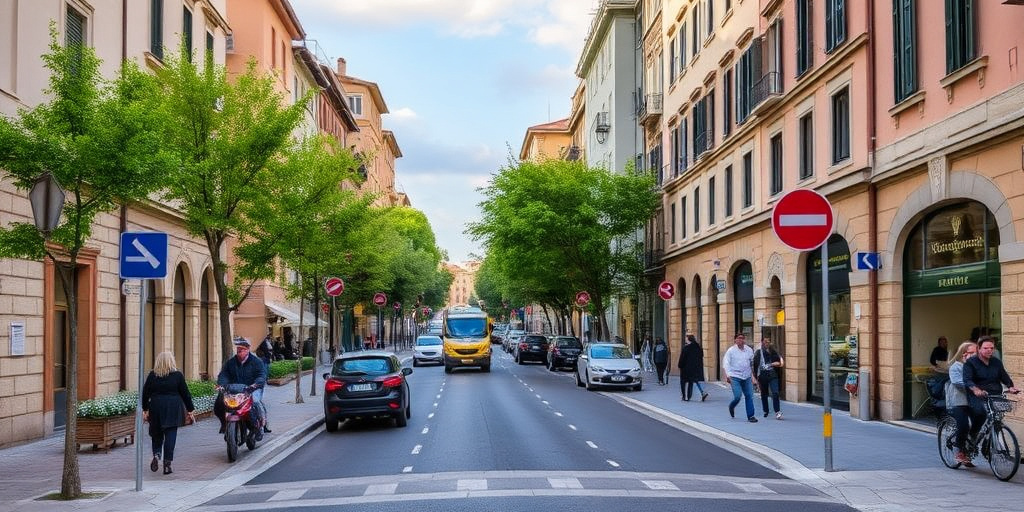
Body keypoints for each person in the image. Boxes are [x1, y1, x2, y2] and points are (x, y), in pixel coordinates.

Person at [963, 336, 1020, 462]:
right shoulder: (971, 362)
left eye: (992, 348)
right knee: (980, 413)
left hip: (995, 394)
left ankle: (987, 445)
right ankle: (972, 437)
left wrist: (1011, 386)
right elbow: (967, 379)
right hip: (977, 395)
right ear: (978, 348)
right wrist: (975, 389)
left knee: (997, 417)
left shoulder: (996, 362)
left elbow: (1003, 376)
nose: (989, 350)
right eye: (986, 348)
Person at [142, 351, 194, 475]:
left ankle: (156, 454)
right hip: (172, 407)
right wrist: (190, 409)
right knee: (171, 434)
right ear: (172, 361)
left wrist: (145, 409)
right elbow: (185, 394)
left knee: (156, 433)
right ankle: (167, 464)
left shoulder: (152, 375)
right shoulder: (177, 376)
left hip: (155, 407)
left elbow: (145, 393)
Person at [215, 337, 270, 440]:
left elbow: (261, 375)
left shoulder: (256, 362)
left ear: (248, 349)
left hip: (252, 388)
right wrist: (221, 384)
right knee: (219, 402)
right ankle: (224, 424)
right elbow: (224, 374)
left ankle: (259, 426)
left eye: (243, 349)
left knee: (256, 402)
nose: (240, 351)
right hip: (235, 390)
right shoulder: (231, 362)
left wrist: (256, 384)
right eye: (238, 349)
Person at [944, 341, 978, 466]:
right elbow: (958, 382)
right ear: (964, 354)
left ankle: (968, 450)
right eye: (974, 352)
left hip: (974, 401)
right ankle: (959, 451)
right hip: (958, 401)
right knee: (963, 425)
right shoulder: (956, 367)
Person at [723, 333, 758, 422]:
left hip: (746, 376)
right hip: (735, 377)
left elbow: (752, 364)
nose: (741, 340)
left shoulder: (749, 350)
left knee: (749, 396)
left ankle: (751, 416)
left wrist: (753, 376)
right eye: (739, 338)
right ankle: (732, 406)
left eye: (742, 338)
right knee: (738, 396)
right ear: (735, 340)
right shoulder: (731, 351)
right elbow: (726, 363)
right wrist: (728, 375)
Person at [752, 336, 784, 419]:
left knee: (775, 393)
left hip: (773, 375)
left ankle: (777, 411)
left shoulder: (773, 351)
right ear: (762, 342)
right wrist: (755, 378)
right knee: (764, 394)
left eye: (768, 341)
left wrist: (772, 364)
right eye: (765, 341)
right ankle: (765, 410)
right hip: (763, 375)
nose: (767, 343)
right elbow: (755, 366)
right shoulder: (758, 352)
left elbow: (779, 362)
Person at [678, 334, 708, 401]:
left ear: (689, 340)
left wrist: (680, 365)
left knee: (683, 382)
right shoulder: (699, 348)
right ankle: (689, 396)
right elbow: (701, 356)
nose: (685, 340)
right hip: (696, 368)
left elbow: (682, 358)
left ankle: (684, 396)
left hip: (686, 368)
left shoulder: (686, 348)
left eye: (686, 339)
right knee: (691, 382)